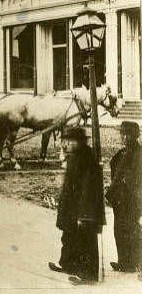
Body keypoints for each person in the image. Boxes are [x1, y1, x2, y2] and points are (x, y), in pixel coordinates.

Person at [48, 127, 105, 285]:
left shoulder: (86, 158)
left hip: (82, 208)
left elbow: (88, 189)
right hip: (71, 207)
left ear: (79, 142)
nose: (67, 144)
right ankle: (67, 264)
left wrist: (84, 214)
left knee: (85, 241)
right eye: (66, 141)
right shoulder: (74, 156)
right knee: (69, 235)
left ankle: (88, 275)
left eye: (71, 141)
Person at [106, 121, 142, 273]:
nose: (121, 137)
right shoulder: (123, 152)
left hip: (131, 199)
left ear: (129, 136)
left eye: (123, 134)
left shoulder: (138, 154)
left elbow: (136, 178)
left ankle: (135, 263)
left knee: (132, 230)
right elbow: (115, 166)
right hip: (120, 199)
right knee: (119, 229)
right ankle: (124, 262)